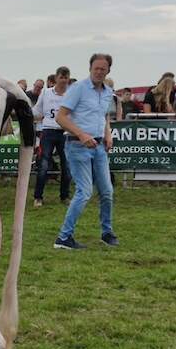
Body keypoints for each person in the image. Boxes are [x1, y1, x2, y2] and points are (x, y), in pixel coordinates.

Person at [53, 53, 119, 249]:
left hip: (99, 147)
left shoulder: (108, 91)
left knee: (107, 191)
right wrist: (82, 135)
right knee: (84, 192)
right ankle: (64, 238)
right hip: (77, 145)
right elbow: (61, 117)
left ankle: (107, 233)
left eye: (103, 69)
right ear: (90, 68)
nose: (99, 72)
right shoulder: (78, 89)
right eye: (96, 68)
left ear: (108, 70)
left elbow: (104, 116)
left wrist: (108, 134)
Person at [32, 65, 72, 207]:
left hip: (65, 132)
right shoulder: (46, 93)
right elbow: (37, 110)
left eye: (66, 77)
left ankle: (65, 196)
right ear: (56, 78)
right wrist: (26, 114)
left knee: (66, 165)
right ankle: (38, 197)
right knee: (43, 164)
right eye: (61, 77)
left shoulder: (71, 94)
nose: (63, 80)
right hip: (48, 131)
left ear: (68, 79)